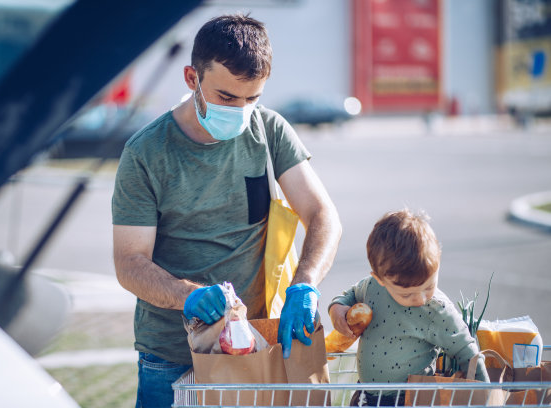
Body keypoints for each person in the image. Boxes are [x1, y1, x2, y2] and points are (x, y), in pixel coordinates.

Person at [112, 13, 342, 408]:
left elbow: (323, 217)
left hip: (251, 347)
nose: (239, 111)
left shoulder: (269, 131)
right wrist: (187, 296)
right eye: (226, 98)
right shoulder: (146, 153)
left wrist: (305, 285)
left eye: (252, 98)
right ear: (191, 78)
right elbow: (129, 263)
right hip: (169, 358)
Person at [328, 209, 489, 407]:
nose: (421, 299)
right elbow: (349, 295)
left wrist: (486, 395)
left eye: (429, 286)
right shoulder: (371, 288)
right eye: (406, 294)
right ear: (380, 279)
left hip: (410, 400)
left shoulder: (436, 309)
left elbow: (467, 349)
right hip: (365, 394)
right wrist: (337, 308)